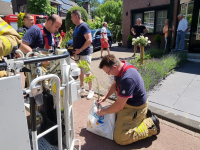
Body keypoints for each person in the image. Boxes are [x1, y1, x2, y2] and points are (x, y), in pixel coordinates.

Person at [97, 54, 160, 145]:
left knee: (120, 138)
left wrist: (103, 111)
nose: (108, 74)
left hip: (135, 108)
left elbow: (119, 106)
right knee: (112, 121)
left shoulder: (128, 78)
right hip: (128, 103)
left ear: (114, 67)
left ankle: (151, 124)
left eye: (108, 72)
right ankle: (142, 116)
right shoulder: (121, 67)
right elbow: (115, 85)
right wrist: (105, 96)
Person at [71, 10, 94, 100]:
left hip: (84, 54)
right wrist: (75, 52)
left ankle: (91, 90)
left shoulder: (84, 26)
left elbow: (89, 40)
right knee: (80, 71)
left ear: (77, 16)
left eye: (72, 17)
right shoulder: (77, 27)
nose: (71, 19)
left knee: (87, 72)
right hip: (78, 55)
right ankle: (82, 87)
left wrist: (80, 50)